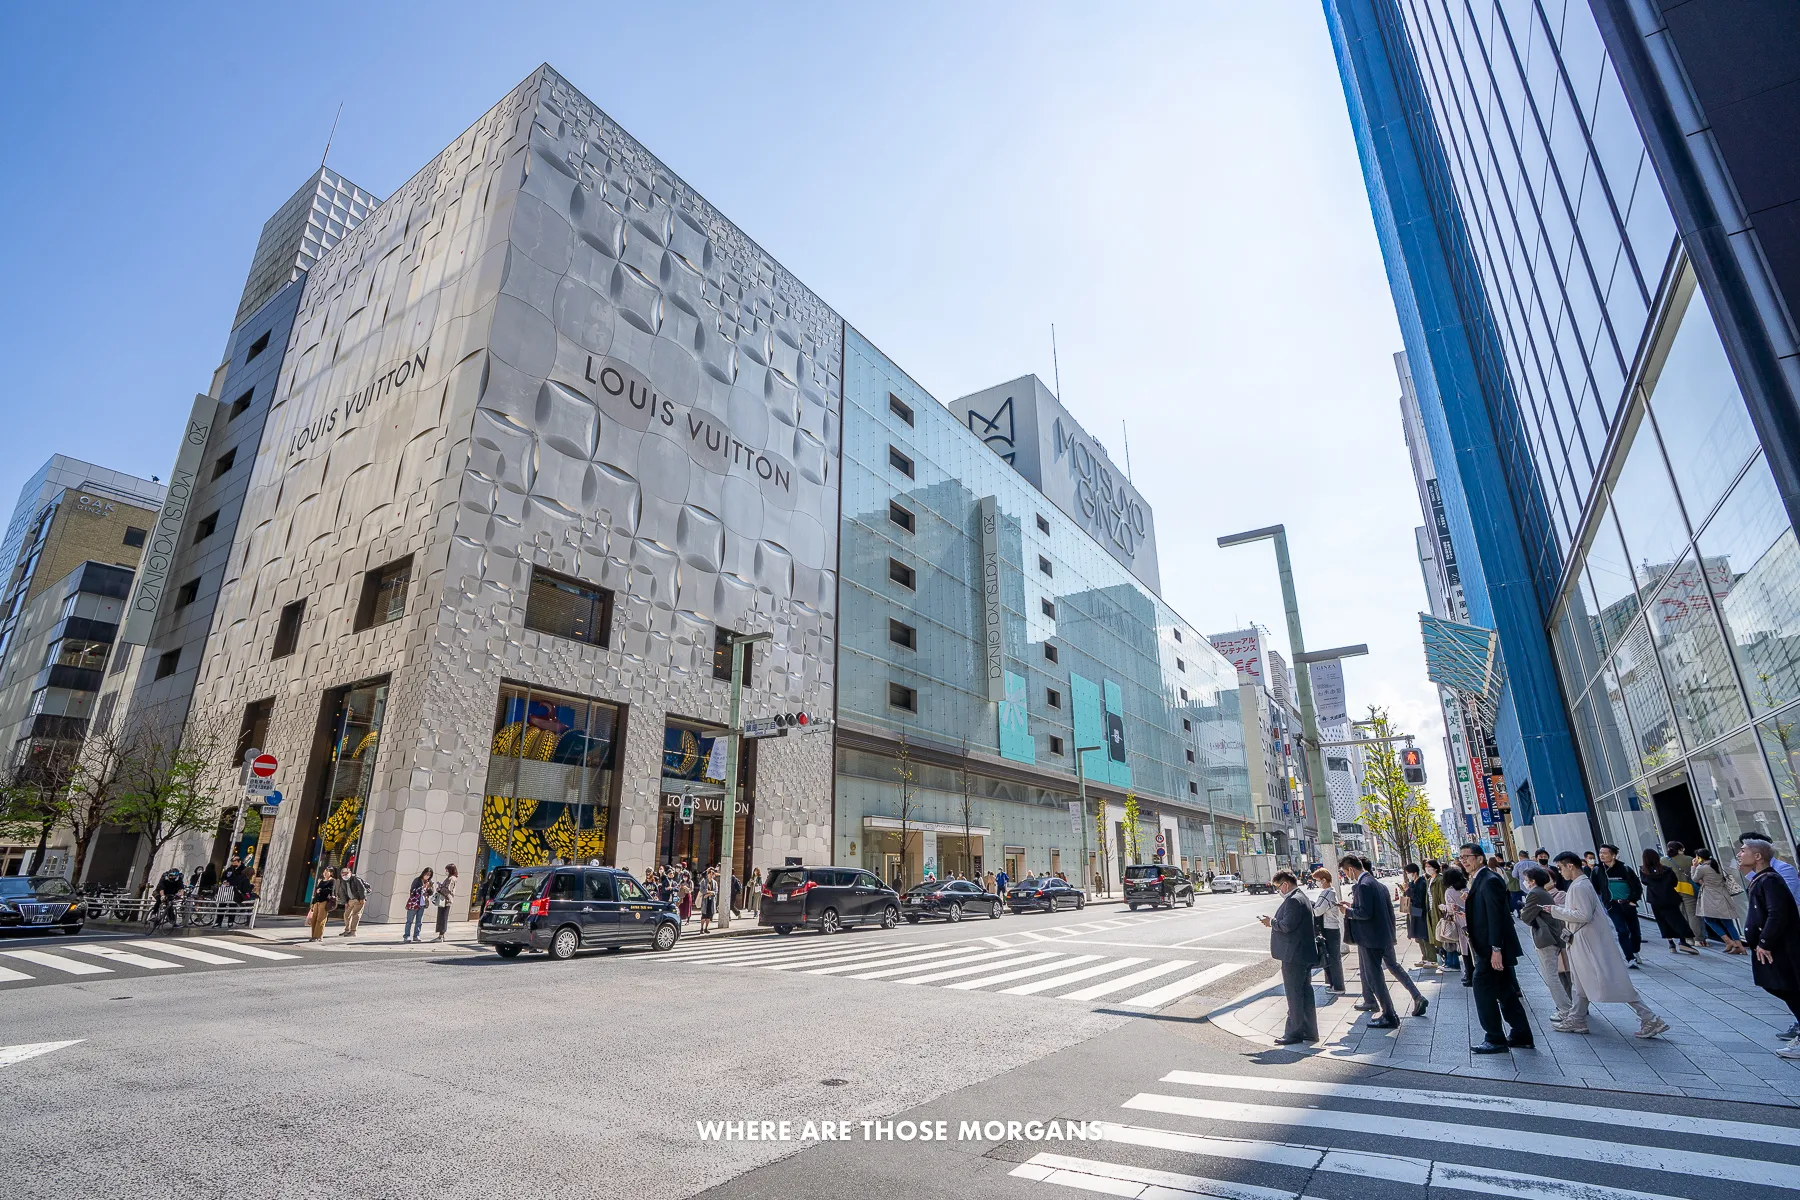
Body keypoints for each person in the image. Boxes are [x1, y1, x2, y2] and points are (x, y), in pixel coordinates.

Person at [1548, 852, 1669, 1038]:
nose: (1560, 872)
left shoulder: (1580, 886)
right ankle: (1577, 1018)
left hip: (1587, 941)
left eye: (1560, 868)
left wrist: (1555, 910)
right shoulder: (1581, 884)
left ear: (1570, 865)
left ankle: (1650, 1018)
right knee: (1581, 981)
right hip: (1584, 940)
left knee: (1609, 979)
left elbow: (1583, 915)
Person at [1458, 842, 1532, 1052]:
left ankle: (1495, 1037)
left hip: (1491, 949)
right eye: (1461, 858)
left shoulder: (1489, 880)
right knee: (1504, 990)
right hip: (1487, 948)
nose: (1464, 861)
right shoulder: (1480, 880)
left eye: (1467, 857)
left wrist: (1496, 949)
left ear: (1480, 858)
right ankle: (1521, 1033)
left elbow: (1497, 917)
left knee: (1481, 987)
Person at [1340, 854, 1427, 1028]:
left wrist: (1347, 911)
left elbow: (1364, 913)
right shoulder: (1377, 884)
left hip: (1371, 938)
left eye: (1345, 872)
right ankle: (1416, 997)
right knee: (1393, 967)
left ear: (1351, 869)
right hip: (1384, 935)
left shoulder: (1363, 885)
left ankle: (1389, 1014)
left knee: (1375, 976)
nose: (1346, 876)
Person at [1739, 839, 1800, 1057]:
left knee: (1787, 987)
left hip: (1779, 947)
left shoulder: (1770, 879)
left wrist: (1765, 942)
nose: (1739, 854)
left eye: (1743, 850)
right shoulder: (1761, 879)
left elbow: (1777, 913)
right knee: (1779, 986)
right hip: (1772, 946)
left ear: (1758, 856)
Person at [1260, 870, 1319, 1045]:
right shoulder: (1301, 897)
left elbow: (1287, 926)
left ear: (1285, 884)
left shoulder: (1294, 900)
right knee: (1305, 993)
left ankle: (1293, 1033)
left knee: (1294, 994)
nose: (1278, 891)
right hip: (1302, 953)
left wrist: (1271, 922)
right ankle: (1309, 1031)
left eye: (1278, 887)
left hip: (1294, 955)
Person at [1519, 865, 1574, 1024]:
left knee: (1551, 976)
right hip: (1553, 936)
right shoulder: (1542, 892)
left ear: (1533, 881)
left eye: (1527, 880)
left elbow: (1526, 917)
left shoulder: (1534, 894)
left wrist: (1524, 911)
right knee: (1552, 975)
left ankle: (1565, 1009)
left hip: (1546, 938)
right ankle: (1567, 1008)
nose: (1525, 882)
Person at [1592, 844, 1643, 968]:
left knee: (1635, 932)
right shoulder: (1598, 870)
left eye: (1605, 853)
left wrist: (1632, 900)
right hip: (1612, 905)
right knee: (1622, 930)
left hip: (1628, 904)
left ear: (1613, 855)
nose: (1601, 855)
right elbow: (1594, 888)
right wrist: (1604, 901)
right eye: (1600, 853)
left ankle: (1635, 951)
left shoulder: (1624, 868)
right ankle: (1630, 958)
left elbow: (1637, 887)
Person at [1640, 848, 1698, 955]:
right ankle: (1683, 941)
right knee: (1677, 919)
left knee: (1662, 921)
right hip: (1670, 898)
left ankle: (1671, 944)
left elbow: (1644, 882)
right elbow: (1674, 883)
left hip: (1655, 900)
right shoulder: (1666, 870)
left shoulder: (1644, 871)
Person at [1693, 849, 1746, 954]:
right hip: (1723, 895)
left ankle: (1728, 941)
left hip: (1710, 896)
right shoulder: (1716, 865)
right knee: (1728, 922)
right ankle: (1740, 946)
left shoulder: (1702, 868)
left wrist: (1693, 867)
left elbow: (1694, 879)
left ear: (1700, 857)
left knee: (1709, 919)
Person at [1308, 867, 1346, 993]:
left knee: (1333, 958)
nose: (1316, 883)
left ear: (1324, 880)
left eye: (1317, 880)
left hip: (1330, 929)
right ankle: (1334, 985)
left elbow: (1317, 910)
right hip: (1330, 927)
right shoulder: (1329, 892)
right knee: (1330, 957)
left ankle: (1338, 986)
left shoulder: (1328, 892)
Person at [1662, 841, 1704, 946]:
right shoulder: (1689, 859)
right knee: (1692, 914)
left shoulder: (1663, 860)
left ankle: (1687, 938)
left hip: (1673, 890)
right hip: (1687, 889)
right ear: (1681, 849)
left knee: (1681, 914)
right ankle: (1698, 939)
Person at [1440, 865, 1471, 986]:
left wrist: (1443, 907)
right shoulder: (1466, 889)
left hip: (1459, 922)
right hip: (1471, 920)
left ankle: (1469, 975)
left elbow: (1450, 909)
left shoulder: (1449, 892)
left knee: (1464, 949)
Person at [1403, 864, 1433, 972]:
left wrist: (1409, 892)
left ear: (1414, 873)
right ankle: (1424, 957)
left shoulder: (1422, 883)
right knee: (1417, 936)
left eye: (1408, 873)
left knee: (1424, 935)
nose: (1407, 875)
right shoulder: (1412, 883)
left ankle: (1431, 958)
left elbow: (1419, 899)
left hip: (1421, 912)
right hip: (1413, 911)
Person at [1426, 860, 1450, 976]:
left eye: (1429, 866)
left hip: (1438, 912)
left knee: (1443, 935)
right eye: (1426, 867)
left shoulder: (1439, 880)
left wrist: (1444, 911)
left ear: (1435, 868)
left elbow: (1442, 897)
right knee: (1436, 935)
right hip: (1431, 911)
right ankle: (1444, 958)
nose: (1427, 868)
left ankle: (1448, 959)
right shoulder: (1429, 880)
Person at [335, 862, 370, 937]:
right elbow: (342, 892)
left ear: (350, 872)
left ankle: (353, 931)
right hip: (350, 900)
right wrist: (345, 902)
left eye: (346, 873)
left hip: (358, 899)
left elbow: (362, 888)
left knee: (356, 915)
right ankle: (347, 930)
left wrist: (362, 898)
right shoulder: (343, 881)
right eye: (343, 874)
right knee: (346, 915)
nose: (345, 875)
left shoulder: (355, 879)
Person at [403, 866, 433, 943]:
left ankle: (416, 935)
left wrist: (429, 889)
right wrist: (422, 887)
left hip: (422, 904)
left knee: (419, 921)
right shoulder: (417, 880)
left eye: (429, 875)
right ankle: (406, 936)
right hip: (414, 903)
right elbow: (412, 891)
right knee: (409, 921)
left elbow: (431, 892)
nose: (427, 876)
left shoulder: (429, 882)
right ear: (423, 873)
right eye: (426, 874)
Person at [308, 867, 336, 942]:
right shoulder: (321, 881)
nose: (325, 873)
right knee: (314, 919)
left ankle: (318, 936)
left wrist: (321, 890)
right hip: (317, 901)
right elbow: (316, 892)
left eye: (327, 871)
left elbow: (331, 891)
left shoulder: (332, 881)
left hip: (324, 901)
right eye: (324, 871)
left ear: (331, 873)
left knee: (320, 919)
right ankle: (313, 936)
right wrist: (313, 903)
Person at [432, 863, 458, 942]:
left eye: (446, 869)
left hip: (445, 900)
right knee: (442, 917)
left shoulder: (451, 879)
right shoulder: (452, 878)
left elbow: (448, 890)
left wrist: (440, 889)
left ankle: (441, 936)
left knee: (442, 917)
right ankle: (441, 935)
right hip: (446, 900)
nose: (445, 871)